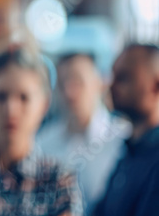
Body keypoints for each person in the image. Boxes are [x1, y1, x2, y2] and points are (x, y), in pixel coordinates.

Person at [0, 48, 83, 216]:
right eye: (0, 97)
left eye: (24, 97)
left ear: (44, 104)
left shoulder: (59, 181)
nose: (11, 110)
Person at [36, 53, 130, 215]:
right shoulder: (43, 143)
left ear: (99, 83)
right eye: (62, 83)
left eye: (78, 82)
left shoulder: (123, 139)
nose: (69, 92)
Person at [94, 44, 159, 216]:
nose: (112, 86)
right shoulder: (130, 150)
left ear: (155, 86)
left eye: (123, 78)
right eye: (113, 76)